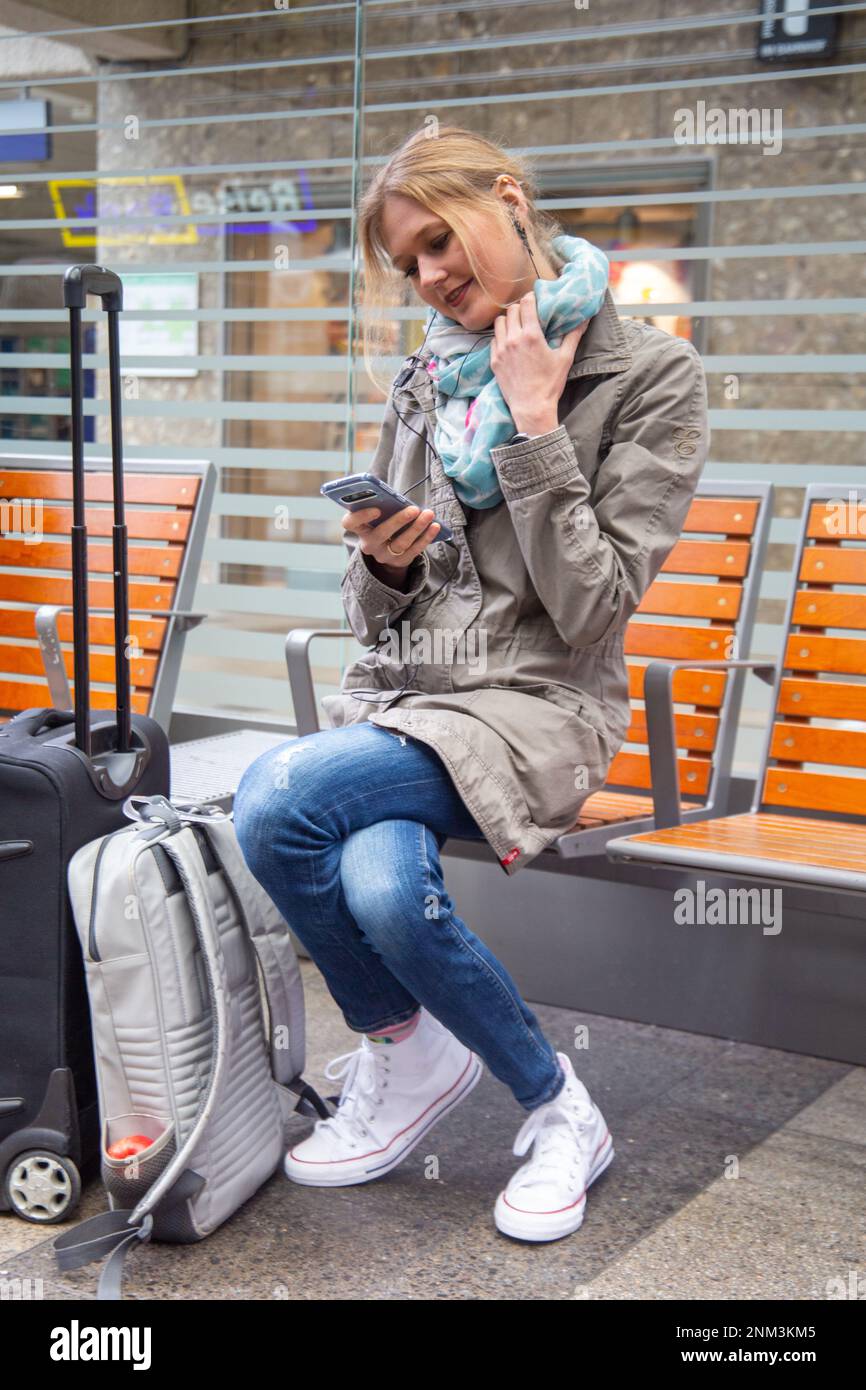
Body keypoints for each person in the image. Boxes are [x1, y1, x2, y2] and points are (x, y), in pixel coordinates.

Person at [232, 125, 709, 1243]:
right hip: (408, 703)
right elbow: (367, 616)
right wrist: (387, 561)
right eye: (408, 264)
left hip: (539, 705)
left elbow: (592, 608)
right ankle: (551, 1104)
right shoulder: (423, 381)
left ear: (509, 199)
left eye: (439, 240)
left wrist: (535, 421)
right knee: (387, 889)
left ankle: (408, 1047)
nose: (430, 276)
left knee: (275, 797)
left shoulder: (649, 376)